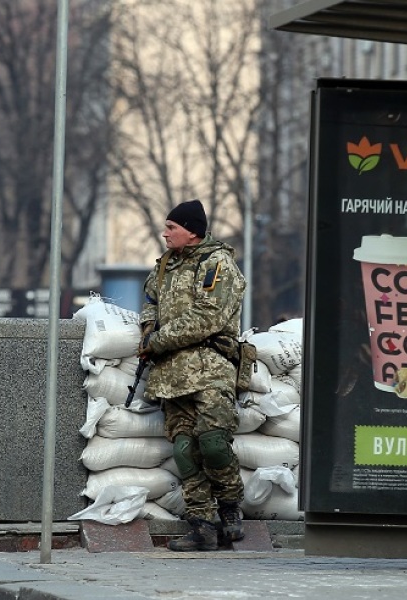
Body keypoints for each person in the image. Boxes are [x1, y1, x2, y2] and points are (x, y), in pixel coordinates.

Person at [137, 199, 247, 551]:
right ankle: (202, 525)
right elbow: (150, 304)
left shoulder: (217, 263)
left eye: (171, 227)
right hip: (171, 375)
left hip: (210, 369)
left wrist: (157, 341)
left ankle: (229, 506)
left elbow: (207, 317)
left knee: (213, 443)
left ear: (192, 232)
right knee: (184, 450)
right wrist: (147, 331)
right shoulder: (164, 267)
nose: (165, 233)